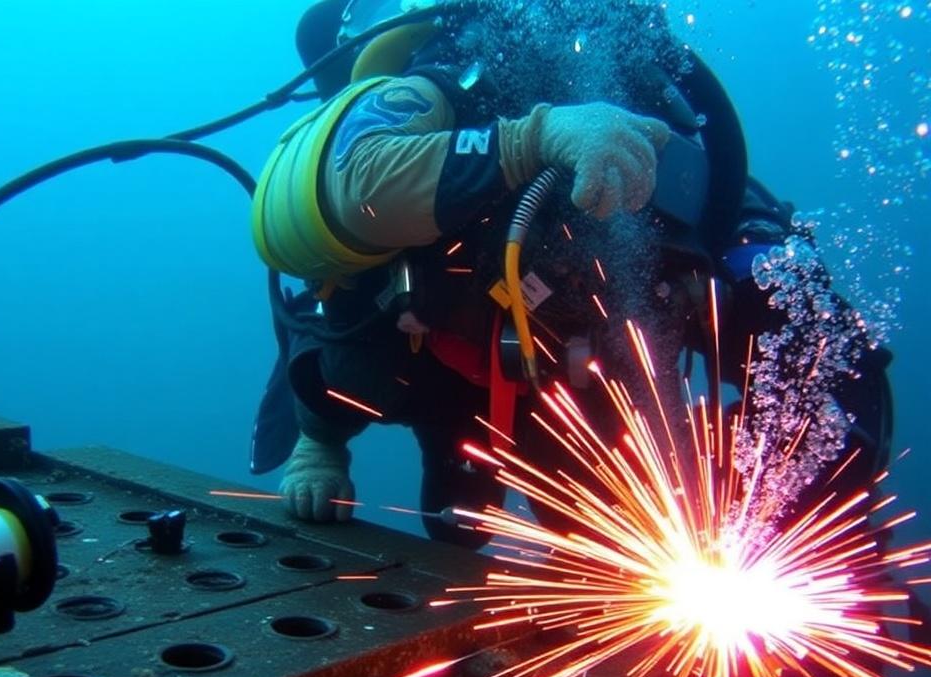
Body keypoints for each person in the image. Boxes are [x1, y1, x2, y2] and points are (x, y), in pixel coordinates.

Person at [249, 0, 893, 554]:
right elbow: (353, 177)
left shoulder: (684, 154)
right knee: (379, 410)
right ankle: (320, 439)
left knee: (582, 535)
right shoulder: (455, 82)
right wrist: (532, 139)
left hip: (565, 385)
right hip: (421, 349)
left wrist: (803, 492)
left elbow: (816, 331)